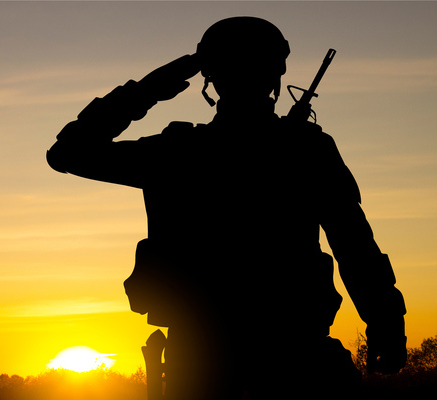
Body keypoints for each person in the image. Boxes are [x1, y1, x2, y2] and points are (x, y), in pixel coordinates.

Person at [47, 16, 407, 400]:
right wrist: (386, 326)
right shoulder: (306, 149)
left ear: (210, 77)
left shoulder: (177, 153)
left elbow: (69, 152)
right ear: (276, 75)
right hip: (291, 351)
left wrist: (158, 83)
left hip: (205, 359)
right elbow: (355, 246)